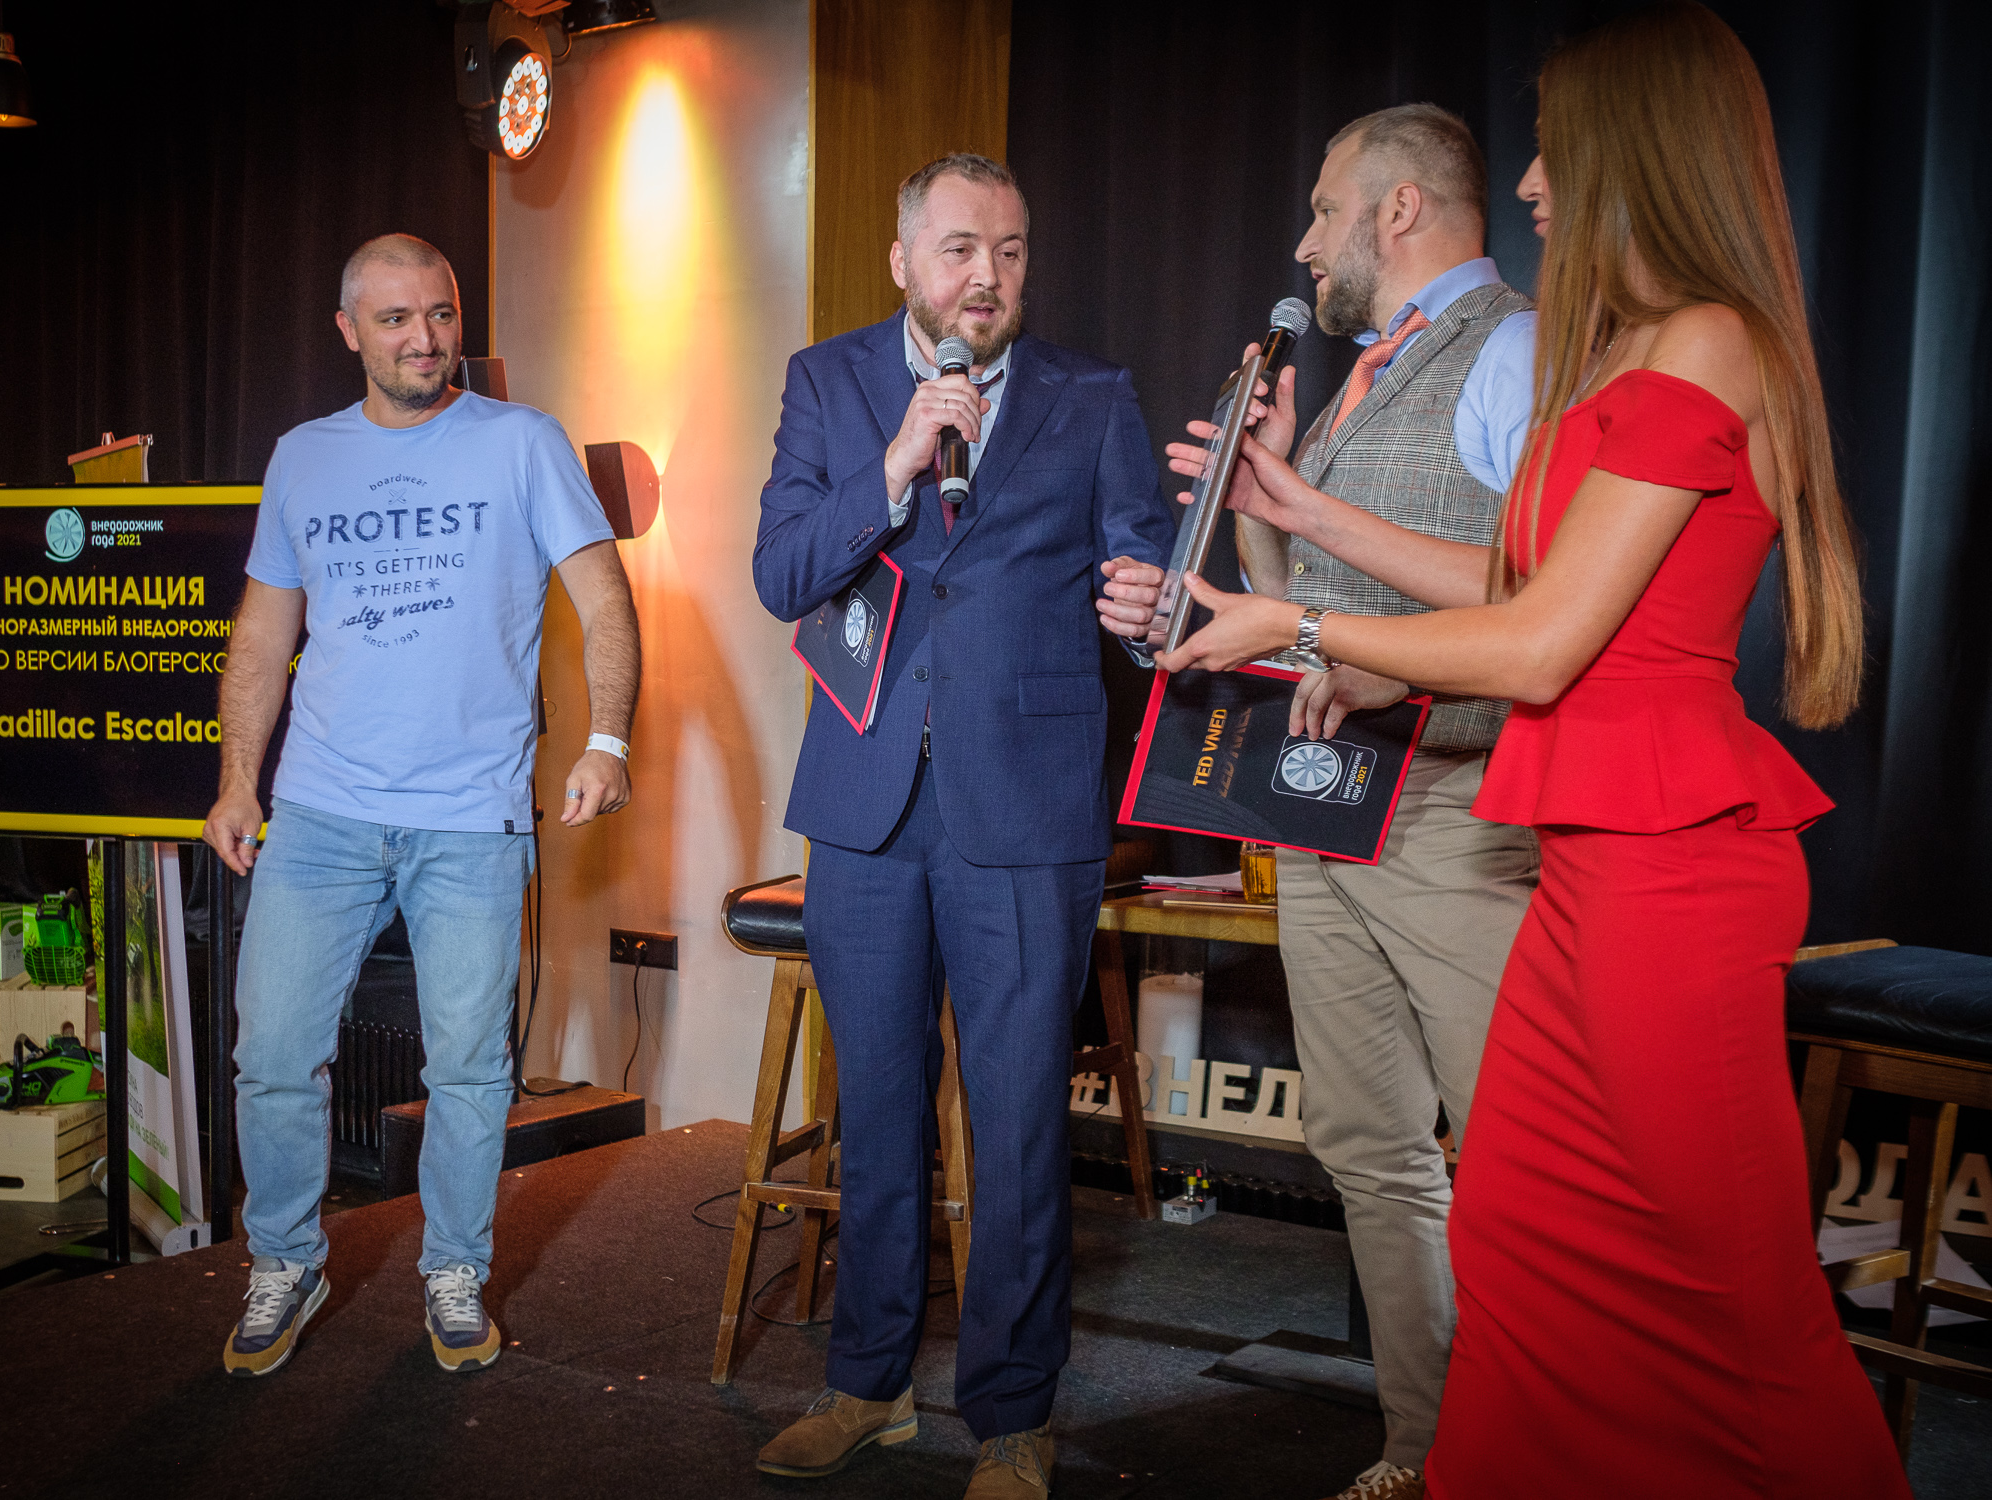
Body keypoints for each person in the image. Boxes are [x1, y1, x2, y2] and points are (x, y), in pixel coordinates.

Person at [1153, 5, 1910, 1491]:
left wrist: (1297, 626)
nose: (1531, 181)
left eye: (1558, 149)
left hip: (1672, 874)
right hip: (1585, 868)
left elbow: (1540, 643)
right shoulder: (1633, 345)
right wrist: (1300, 522)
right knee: (1517, 1237)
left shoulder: (1711, 340)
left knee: (1727, 1299)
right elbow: (1517, 581)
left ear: (1639, 148)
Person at [1099, 103, 1540, 1500]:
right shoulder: (1358, 375)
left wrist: (1309, 567)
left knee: (1511, 1152)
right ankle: (1426, 1446)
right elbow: (1302, 608)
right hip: (1330, 806)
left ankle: (1533, 1455)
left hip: (1457, 808)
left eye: (1323, 207)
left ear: (1398, 208)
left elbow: (1541, 594)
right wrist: (1257, 498)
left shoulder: (1515, 351)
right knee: (1366, 1144)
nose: (1304, 240)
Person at [751, 154, 1171, 1499]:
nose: (986, 275)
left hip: (1027, 803)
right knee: (876, 1110)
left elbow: (1149, 575)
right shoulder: (828, 384)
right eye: (958, 249)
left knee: (1018, 1120)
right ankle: (866, 1385)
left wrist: (1147, 607)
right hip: (865, 806)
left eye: (1009, 250)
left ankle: (1011, 1414)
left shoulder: (1091, 396)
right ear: (902, 262)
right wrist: (892, 462)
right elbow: (781, 572)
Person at [204, 233, 641, 1380]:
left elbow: (604, 599)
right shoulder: (304, 458)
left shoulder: (522, 442)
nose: (423, 338)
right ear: (349, 331)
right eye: (395, 318)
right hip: (320, 810)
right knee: (273, 1054)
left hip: (469, 818)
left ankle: (455, 1269)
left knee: (469, 1070)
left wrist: (606, 739)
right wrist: (239, 777)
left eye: (440, 314)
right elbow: (263, 634)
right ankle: (284, 1261)